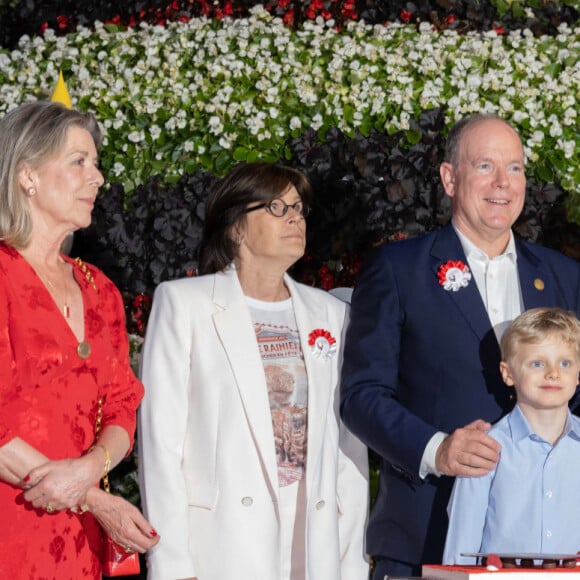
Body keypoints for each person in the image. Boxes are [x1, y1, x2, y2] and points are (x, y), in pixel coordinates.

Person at [340, 113, 580, 578]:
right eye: (485, 166)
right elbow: (362, 396)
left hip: (549, 550)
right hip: (425, 534)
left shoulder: (564, 276)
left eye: (514, 168)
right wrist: (438, 450)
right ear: (450, 178)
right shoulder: (397, 268)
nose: (502, 183)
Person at [138, 161, 369, 580]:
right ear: (236, 227)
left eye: (298, 207)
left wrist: (351, 560)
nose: (295, 217)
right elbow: (160, 443)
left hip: (314, 544)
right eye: (276, 208)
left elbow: (347, 448)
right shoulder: (184, 304)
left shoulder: (332, 313)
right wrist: (171, 564)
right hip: (221, 545)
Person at [0, 101, 159, 578]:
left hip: (81, 541)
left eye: (96, 163)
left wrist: (90, 471)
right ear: (27, 175)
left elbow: (122, 406)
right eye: (79, 162)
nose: (98, 178)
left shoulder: (99, 290)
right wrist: (91, 496)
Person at [443, 307, 580, 564]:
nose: (553, 373)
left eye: (565, 363)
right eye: (537, 363)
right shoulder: (484, 449)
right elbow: (461, 550)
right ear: (508, 373)